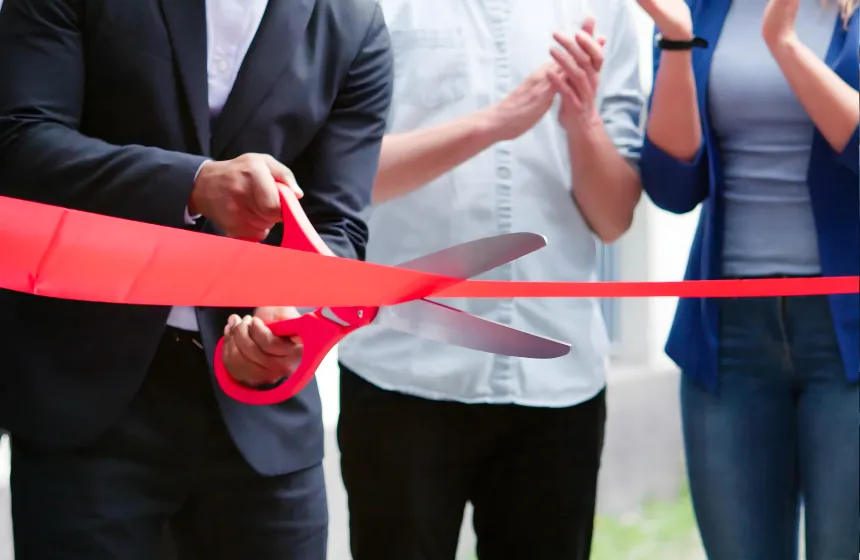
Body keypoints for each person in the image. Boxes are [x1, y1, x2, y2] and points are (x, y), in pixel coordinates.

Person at [0, 0, 392, 558]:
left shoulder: (353, 21)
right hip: (87, 398)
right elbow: (18, 140)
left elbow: (338, 225)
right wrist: (193, 183)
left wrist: (293, 316)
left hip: (264, 419)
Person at [335, 1, 645, 558]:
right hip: (402, 368)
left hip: (557, 379)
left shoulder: (605, 10)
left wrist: (583, 122)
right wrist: (489, 126)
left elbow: (614, 218)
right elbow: (342, 178)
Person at [636, 0, 859, 558]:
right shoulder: (703, 10)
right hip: (727, 338)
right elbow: (672, 186)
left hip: (849, 336)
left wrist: (783, 43)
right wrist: (677, 41)